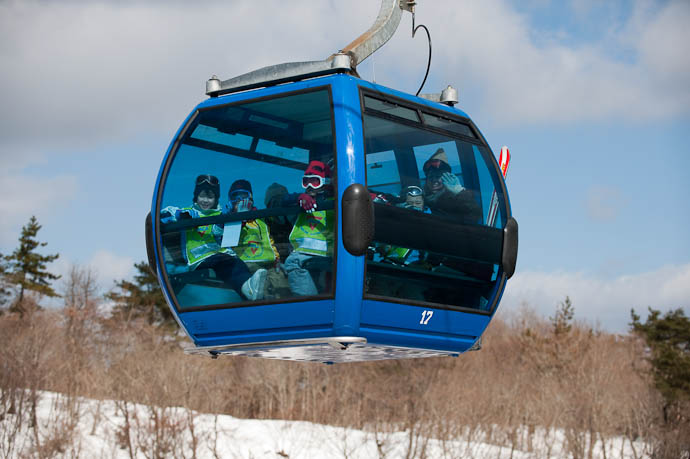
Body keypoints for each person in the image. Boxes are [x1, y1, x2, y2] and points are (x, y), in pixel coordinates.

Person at [160, 174, 267, 301]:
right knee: (225, 262)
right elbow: (164, 215)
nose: (205, 201)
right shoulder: (188, 211)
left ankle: (247, 287)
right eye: (202, 196)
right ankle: (246, 288)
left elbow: (218, 231)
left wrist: (229, 219)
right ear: (196, 196)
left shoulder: (219, 215)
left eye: (210, 197)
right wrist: (181, 216)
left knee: (236, 264)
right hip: (199, 259)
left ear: (216, 198)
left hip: (222, 256)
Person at [226, 179, 290, 299]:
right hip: (248, 263)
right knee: (262, 287)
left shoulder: (261, 221)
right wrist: (240, 218)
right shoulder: (230, 221)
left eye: (244, 196)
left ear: (251, 199)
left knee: (282, 286)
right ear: (231, 201)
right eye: (236, 197)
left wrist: (277, 260)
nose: (240, 201)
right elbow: (228, 241)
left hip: (270, 263)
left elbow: (268, 241)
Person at [283, 160, 335, 296]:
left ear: (326, 182)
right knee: (292, 262)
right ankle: (308, 301)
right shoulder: (301, 202)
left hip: (328, 254)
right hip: (303, 253)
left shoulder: (333, 203)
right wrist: (299, 197)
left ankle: (308, 302)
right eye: (306, 182)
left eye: (315, 181)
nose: (310, 186)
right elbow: (283, 200)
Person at [422, 148, 481, 223]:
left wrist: (459, 191)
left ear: (447, 178)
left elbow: (475, 215)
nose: (434, 180)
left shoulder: (456, 200)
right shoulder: (420, 197)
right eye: (430, 177)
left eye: (438, 176)